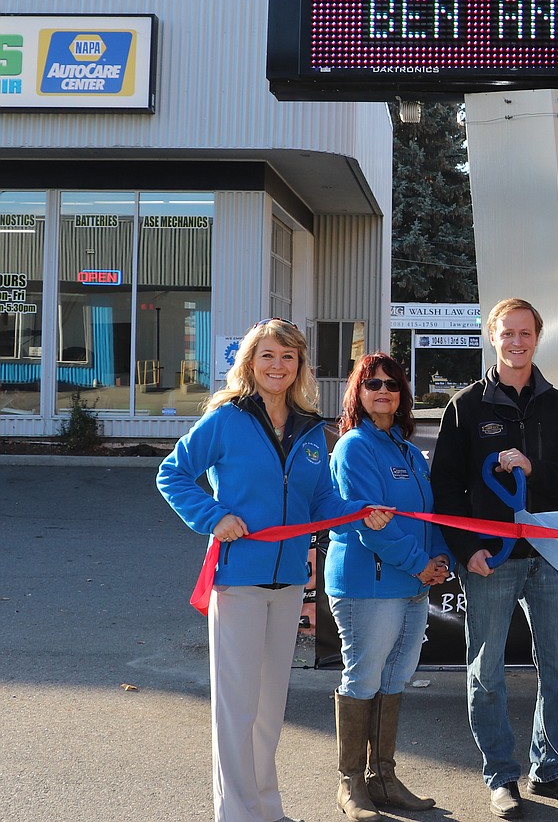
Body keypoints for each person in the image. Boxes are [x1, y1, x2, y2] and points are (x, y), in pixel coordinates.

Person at [157, 318, 390, 822]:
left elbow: (321, 498)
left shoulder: (310, 427)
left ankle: (265, 808)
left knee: (267, 708)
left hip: (288, 582)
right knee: (236, 708)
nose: (277, 366)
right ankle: (236, 813)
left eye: (287, 357)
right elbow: (172, 473)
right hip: (237, 579)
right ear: (250, 363)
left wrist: (359, 510)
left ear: (299, 365)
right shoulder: (225, 419)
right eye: (267, 356)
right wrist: (214, 517)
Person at [430, 298, 558, 820]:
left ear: (537, 336)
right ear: (492, 336)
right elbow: (445, 485)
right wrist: (465, 549)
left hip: (549, 555)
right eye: (508, 333)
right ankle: (501, 777)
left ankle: (550, 771)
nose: (517, 341)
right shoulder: (465, 406)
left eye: (526, 333)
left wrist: (534, 468)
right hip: (492, 559)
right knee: (487, 672)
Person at [324, 353, 450, 819]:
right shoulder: (353, 446)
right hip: (368, 585)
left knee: (395, 678)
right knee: (363, 677)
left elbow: (428, 513)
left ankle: (383, 777)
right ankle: (351, 783)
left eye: (392, 384)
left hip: (413, 582)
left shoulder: (407, 449)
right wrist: (420, 564)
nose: (383, 391)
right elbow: (366, 522)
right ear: (357, 392)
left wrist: (439, 559)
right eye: (372, 383)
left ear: (402, 396)